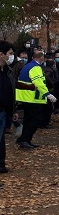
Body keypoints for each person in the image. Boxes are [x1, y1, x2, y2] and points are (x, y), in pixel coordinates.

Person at [15, 51, 57, 148]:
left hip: (25, 97)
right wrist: (48, 94)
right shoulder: (35, 68)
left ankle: (25, 140)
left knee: (28, 120)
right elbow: (38, 83)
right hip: (32, 98)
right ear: (41, 57)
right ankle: (24, 139)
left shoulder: (27, 66)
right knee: (36, 120)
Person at [0, 42, 16, 173]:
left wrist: (13, 110)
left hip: (4, 112)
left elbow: (10, 92)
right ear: (1, 54)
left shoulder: (8, 72)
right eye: (10, 54)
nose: (12, 56)